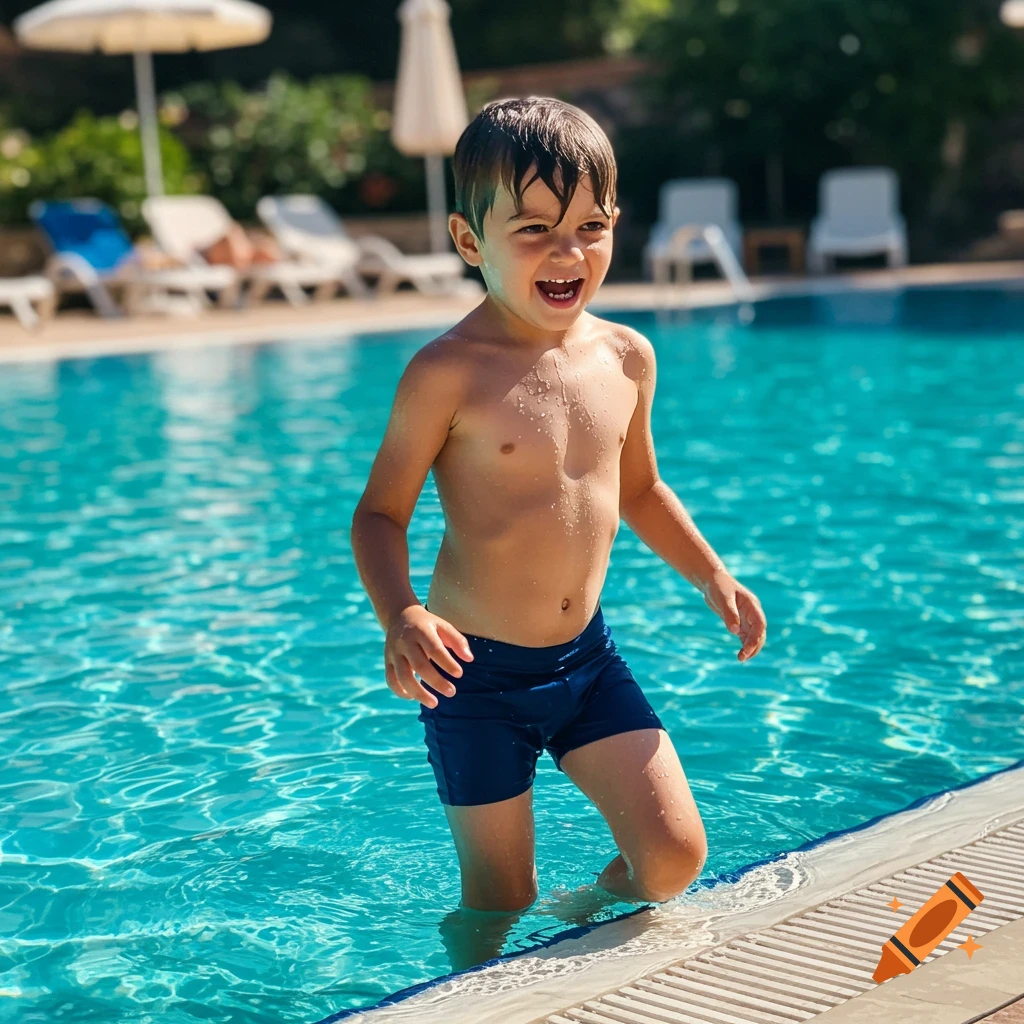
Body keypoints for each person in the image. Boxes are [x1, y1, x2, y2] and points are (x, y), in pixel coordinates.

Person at [350, 96, 767, 968]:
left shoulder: (625, 356)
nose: (567, 251)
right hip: (474, 678)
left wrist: (712, 576)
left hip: (586, 663)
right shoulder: (446, 374)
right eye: (534, 228)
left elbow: (642, 488)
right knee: (499, 902)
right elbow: (379, 513)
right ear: (471, 244)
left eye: (591, 226)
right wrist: (401, 615)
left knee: (672, 857)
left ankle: (587, 913)